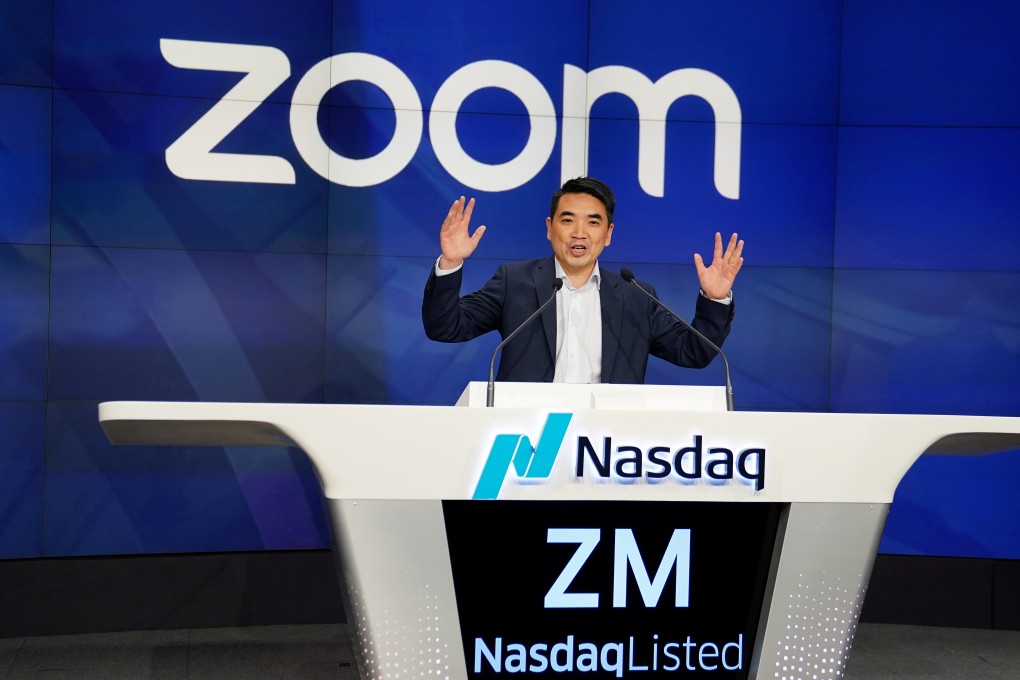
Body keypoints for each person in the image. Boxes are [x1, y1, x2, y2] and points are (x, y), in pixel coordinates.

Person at [422, 177, 743, 384]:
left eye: (593, 222)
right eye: (567, 220)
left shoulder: (636, 297)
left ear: (608, 234)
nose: (579, 233)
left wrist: (714, 300)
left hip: (606, 455)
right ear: (550, 228)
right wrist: (451, 262)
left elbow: (694, 353)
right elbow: (445, 328)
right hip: (526, 444)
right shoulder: (515, 282)